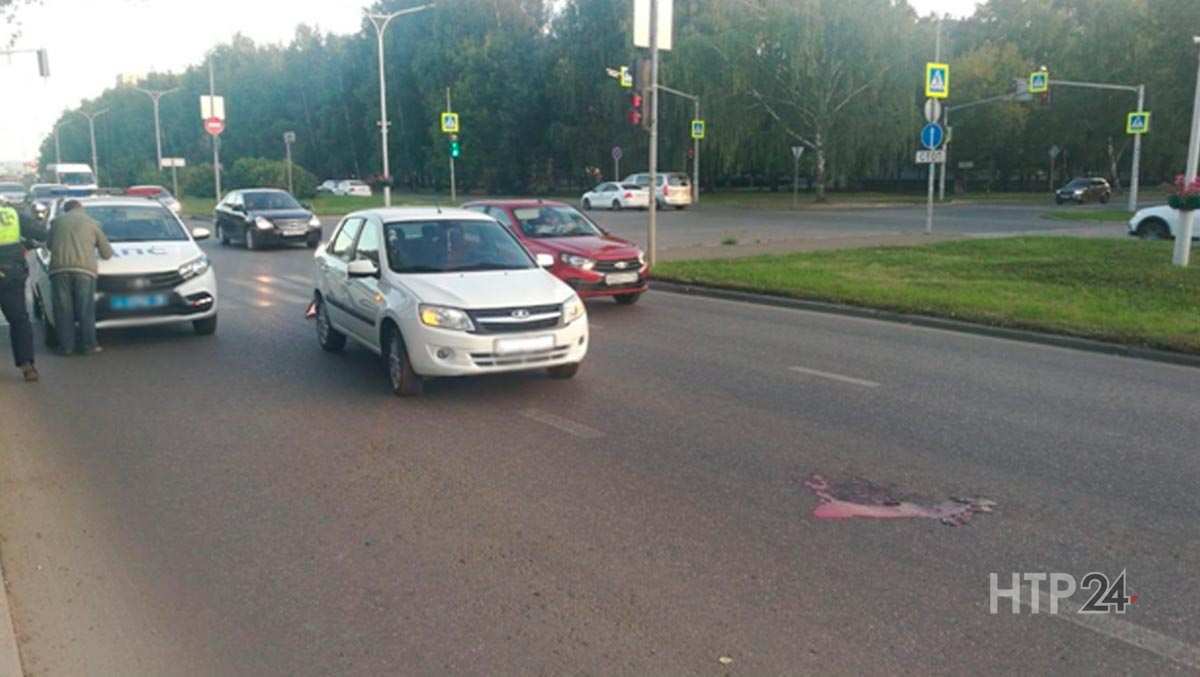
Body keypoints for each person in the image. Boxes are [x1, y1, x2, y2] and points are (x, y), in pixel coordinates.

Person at [47, 200, 113, 355]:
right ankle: (89, 345)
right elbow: (107, 253)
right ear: (81, 209)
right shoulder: (92, 223)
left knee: (63, 310)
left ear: (65, 210)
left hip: (59, 270)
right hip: (84, 271)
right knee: (85, 309)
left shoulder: (56, 222)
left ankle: (66, 347)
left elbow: (49, 245)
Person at [0, 198, 48, 382]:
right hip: (10, 273)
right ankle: (28, 366)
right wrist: (25, 243)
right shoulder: (12, 215)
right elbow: (41, 232)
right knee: (19, 320)